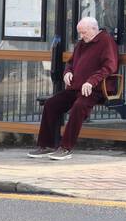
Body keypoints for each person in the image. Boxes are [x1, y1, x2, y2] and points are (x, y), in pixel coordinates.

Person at [29, 17, 119, 160]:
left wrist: (91, 82)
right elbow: (70, 63)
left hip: (96, 89)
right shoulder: (82, 43)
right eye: (80, 33)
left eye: (84, 33)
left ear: (94, 29)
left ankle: (66, 148)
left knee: (79, 106)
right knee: (51, 104)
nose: (81, 36)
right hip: (76, 88)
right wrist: (68, 72)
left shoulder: (106, 41)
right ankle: (46, 145)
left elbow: (109, 67)